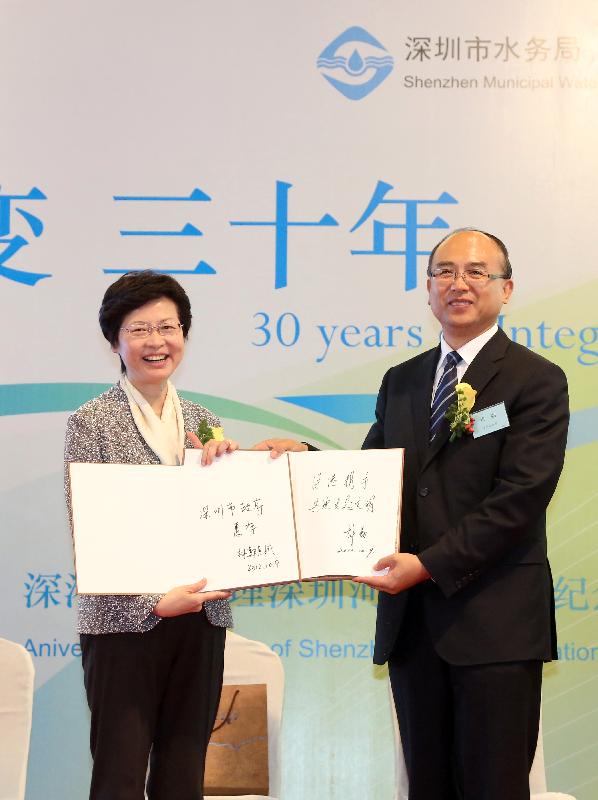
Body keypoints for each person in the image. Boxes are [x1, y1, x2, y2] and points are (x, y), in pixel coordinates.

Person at [254, 229, 569, 800]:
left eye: (476, 272)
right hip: (415, 629)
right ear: (428, 289)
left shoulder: (535, 380)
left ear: (506, 288)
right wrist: (304, 460)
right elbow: (376, 478)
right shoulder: (402, 380)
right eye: (444, 271)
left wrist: (426, 565)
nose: (458, 283)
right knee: (427, 786)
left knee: (494, 786)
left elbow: (520, 498)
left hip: (496, 626)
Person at [64, 270, 238, 800]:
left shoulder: (204, 421)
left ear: (184, 333)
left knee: (184, 775)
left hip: (200, 618)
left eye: (168, 327)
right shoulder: (90, 422)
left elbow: (224, 517)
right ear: (114, 341)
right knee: (118, 775)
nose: (156, 342)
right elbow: (89, 529)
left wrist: (230, 472)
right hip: (123, 622)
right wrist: (154, 602)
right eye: (139, 330)